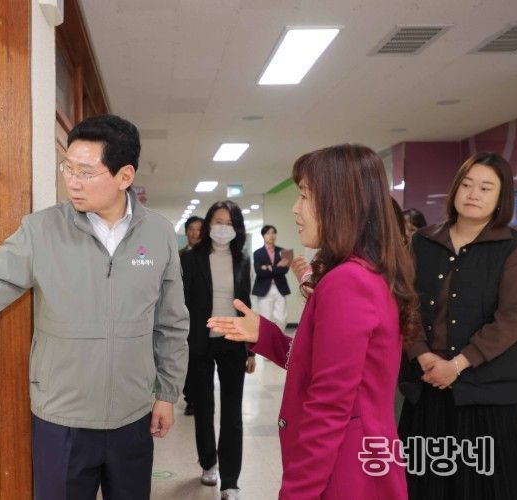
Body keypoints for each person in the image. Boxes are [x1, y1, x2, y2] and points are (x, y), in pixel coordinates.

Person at [0, 114, 189, 500]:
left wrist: (167, 393)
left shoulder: (158, 234)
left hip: (132, 416)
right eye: (68, 168)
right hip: (62, 419)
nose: (72, 181)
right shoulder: (41, 231)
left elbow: (171, 323)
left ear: (125, 176)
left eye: (86, 172)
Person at [208, 144, 420, 500]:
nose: (296, 208)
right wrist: (267, 335)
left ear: (340, 203)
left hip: (343, 471)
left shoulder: (347, 281)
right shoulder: (365, 272)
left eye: (305, 196)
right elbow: (329, 364)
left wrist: (295, 493)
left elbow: (330, 405)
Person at [398, 151, 517, 500]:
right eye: (467, 185)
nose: (473, 194)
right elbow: (405, 303)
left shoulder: (513, 248)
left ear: (501, 197)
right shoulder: (423, 241)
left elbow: (513, 317)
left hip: (487, 394)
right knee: (424, 484)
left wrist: (457, 365)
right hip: (427, 387)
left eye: (485, 188)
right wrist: (423, 355)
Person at [180, 200, 255, 500]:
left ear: (237, 228)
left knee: (232, 411)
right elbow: (184, 303)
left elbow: (246, 303)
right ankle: (209, 463)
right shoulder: (191, 259)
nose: (223, 228)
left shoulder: (242, 260)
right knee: (203, 406)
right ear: (209, 224)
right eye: (218, 222)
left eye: (229, 223)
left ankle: (231, 481)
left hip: (233, 340)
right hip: (201, 341)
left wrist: (251, 349)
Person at [180, 215, 204, 415]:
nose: (195, 233)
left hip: (202, 316)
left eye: (199, 229)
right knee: (185, 359)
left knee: (199, 360)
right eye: (192, 229)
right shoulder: (178, 256)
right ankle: (190, 397)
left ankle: (198, 398)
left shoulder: (209, 257)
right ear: (186, 232)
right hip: (181, 313)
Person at [251, 225, 291, 328]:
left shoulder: (284, 251)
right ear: (263, 235)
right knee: (266, 318)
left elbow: (285, 270)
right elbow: (259, 272)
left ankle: (280, 336)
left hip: (280, 287)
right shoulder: (257, 253)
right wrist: (277, 267)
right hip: (264, 288)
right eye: (268, 233)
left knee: (282, 318)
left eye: (273, 232)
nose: (271, 235)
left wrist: (268, 267)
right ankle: (267, 337)